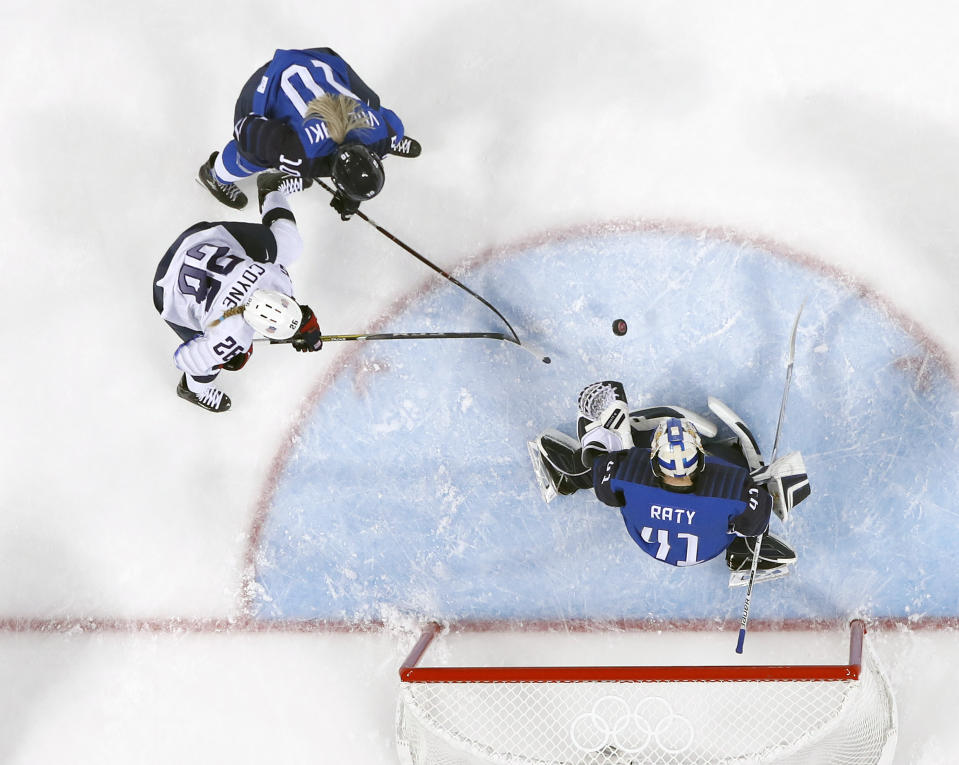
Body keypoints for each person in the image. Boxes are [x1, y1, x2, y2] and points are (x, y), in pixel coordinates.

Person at [530, 381, 804, 578]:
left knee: (604, 465)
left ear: (653, 461)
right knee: (737, 465)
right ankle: (744, 553)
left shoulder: (628, 475)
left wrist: (603, 455)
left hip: (648, 542)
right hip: (706, 548)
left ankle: (566, 476)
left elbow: (606, 491)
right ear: (700, 458)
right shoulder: (732, 490)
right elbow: (756, 520)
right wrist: (760, 492)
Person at [154, 172, 324, 413]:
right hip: (167, 292)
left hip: (198, 241)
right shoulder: (231, 335)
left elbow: (284, 306)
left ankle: (271, 190)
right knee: (215, 364)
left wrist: (301, 323)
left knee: (290, 245)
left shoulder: (273, 279)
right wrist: (221, 354)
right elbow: (185, 360)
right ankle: (193, 390)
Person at [197, 46, 420, 219]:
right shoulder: (299, 153)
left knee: (374, 105)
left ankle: (383, 148)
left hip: (319, 61)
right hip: (270, 78)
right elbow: (248, 130)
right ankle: (215, 175)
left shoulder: (384, 132)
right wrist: (280, 157)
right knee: (251, 156)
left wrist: (351, 190)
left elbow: (389, 122)